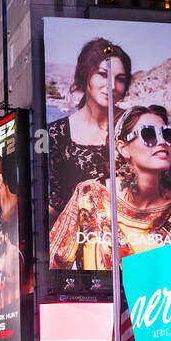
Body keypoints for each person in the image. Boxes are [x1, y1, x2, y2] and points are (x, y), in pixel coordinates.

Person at [50, 105, 171, 270]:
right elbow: (53, 264)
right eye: (148, 134)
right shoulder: (90, 196)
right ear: (123, 148)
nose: (162, 141)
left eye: (167, 134)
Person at [45, 38, 132, 226]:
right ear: (86, 75)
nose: (112, 85)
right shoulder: (56, 133)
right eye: (103, 74)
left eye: (120, 79)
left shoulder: (134, 124)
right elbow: (58, 197)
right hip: (80, 240)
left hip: (134, 238)